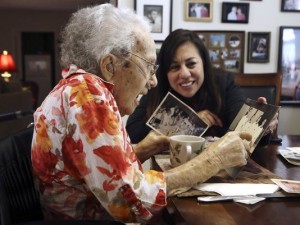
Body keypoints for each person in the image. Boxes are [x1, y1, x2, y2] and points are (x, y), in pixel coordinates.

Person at [31, 6, 252, 224]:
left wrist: (146, 147)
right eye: (148, 66)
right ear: (109, 66)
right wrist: (215, 159)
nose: (153, 81)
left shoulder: (76, 88)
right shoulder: (88, 96)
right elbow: (132, 204)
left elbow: (100, 172)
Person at [126, 29, 278, 144]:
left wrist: (260, 126)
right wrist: (189, 122)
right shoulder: (157, 87)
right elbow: (132, 133)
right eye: (174, 67)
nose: (184, 74)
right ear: (165, 72)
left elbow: (241, 129)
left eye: (191, 64)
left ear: (204, 63)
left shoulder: (223, 82)